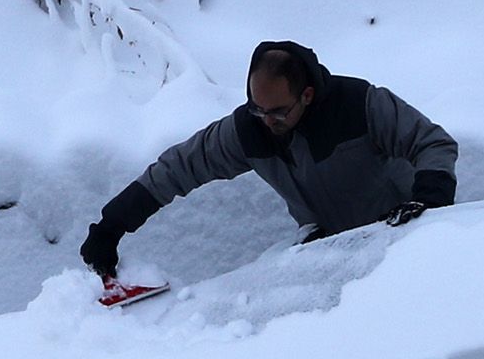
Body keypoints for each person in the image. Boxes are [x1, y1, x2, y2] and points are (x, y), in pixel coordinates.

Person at [76, 40, 458, 285]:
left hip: (405, 242)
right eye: (257, 108)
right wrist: (112, 225)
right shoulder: (251, 128)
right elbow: (179, 167)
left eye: (277, 111)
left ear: (307, 95)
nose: (266, 120)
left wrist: (429, 205)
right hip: (335, 255)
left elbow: (433, 143)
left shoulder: (360, 105)